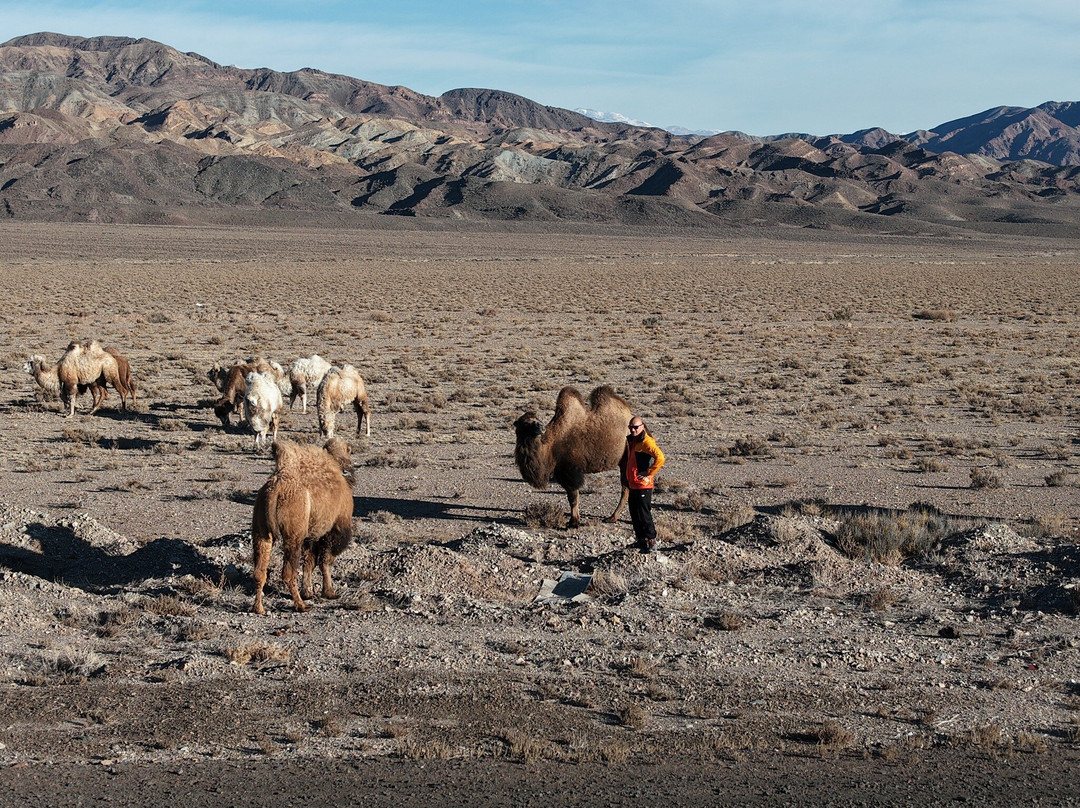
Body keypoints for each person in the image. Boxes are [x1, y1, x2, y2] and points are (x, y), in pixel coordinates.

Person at [623, 416, 665, 553]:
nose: (633, 430)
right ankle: (641, 540)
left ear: (642, 426)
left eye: (636, 427)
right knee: (634, 513)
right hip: (633, 484)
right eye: (631, 427)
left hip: (643, 485)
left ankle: (651, 541)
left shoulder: (647, 442)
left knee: (644, 514)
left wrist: (649, 472)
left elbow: (660, 458)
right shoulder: (632, 440)